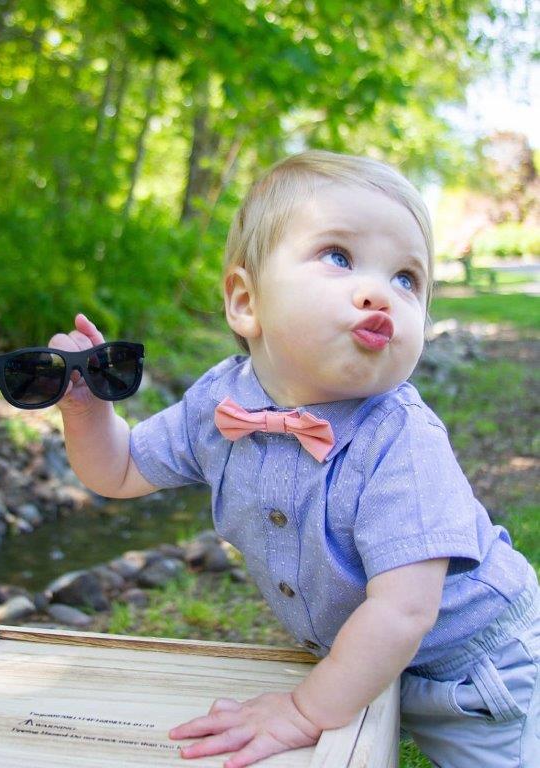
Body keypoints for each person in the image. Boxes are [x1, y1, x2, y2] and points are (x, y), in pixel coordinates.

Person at [49, 151, 539, 768]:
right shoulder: (220, 404)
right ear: (245, 303)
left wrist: (304, 710)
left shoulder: (400, 439)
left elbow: (404, 609)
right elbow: (117, 471)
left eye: (407, 279)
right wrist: (88, 411)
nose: (378, 293)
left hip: (479, 665)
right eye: (339, 257)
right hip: (373, 657)